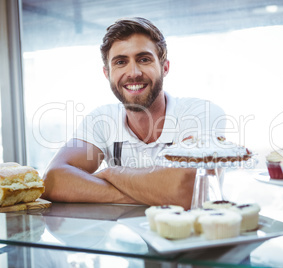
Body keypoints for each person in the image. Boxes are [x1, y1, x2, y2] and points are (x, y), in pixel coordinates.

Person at [42, 17, 226, 209]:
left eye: (144, 59)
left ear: (165, 67)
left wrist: (111, 173)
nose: (133, 72)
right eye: (121, 62)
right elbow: (53, 179)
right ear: (107, 74)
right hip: (125, 237)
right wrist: (155, 193)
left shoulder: (200, 113)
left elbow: (188, 188)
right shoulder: (102, 120)